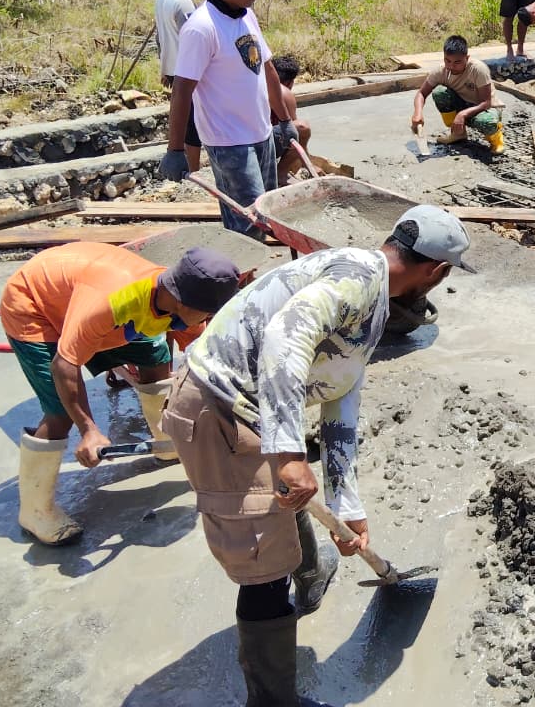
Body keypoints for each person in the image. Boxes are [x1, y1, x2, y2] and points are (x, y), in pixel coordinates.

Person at [161, 206, 473, 705]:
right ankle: (272, 701)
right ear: (437, 272)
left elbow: (341, 398)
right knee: (263, 567)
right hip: (218, 409)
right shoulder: (355, 281)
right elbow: (287, 336)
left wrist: (346, 504)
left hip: (250, 411)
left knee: (287, 499)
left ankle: (309, 573)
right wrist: (288, 452)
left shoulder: (371, 296)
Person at [0, 243, 241, 545]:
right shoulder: (110, 301)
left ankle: (166, 443)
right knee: (60, 410)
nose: (209, 318)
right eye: (209, 312)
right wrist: (89, 430)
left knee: (155, 358)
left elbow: (203, 360)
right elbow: (64, 364)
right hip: (35, 306)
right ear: (187, 304)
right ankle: (35, 512)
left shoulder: (172, 296)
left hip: (87, 300)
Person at [160, 0, 300, 237]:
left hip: (260, 133)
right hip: (229, 142)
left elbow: (268, 69)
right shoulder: (201, 28)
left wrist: (284, 120)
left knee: (268, 214)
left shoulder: (246, 16)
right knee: (248, 226)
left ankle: (258, 277)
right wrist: (175, 149)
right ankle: (242, 280)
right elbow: (182, 92)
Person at [154, 0, 211, 173]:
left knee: (187, 119)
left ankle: (190, 168)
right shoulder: (185, 3)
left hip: (173, 67)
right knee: (193, 123)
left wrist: (165, 66)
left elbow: (160, 36)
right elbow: (193, 39)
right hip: (187, 70)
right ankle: (193, 170)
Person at [410, 34, 505, 156]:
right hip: (463, 103)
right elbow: (421, 93)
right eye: (447, 61)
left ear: (467, 58)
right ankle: (458, 134)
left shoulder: (478, 69)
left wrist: (462, 114)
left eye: (457, 62)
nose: (451, 66)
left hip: (485, 108)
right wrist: (417, 113)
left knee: (487, 122)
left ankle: (497, 140)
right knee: (440, 92)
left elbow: (486, 103)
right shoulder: (441, 71)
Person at [270, 56, 312, 182]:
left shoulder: (258, 85)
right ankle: (280, 174)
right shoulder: (284, 93)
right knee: (301, 128)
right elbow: (296, 137)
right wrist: (309, 165)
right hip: (261, 143)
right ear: (290, 82)